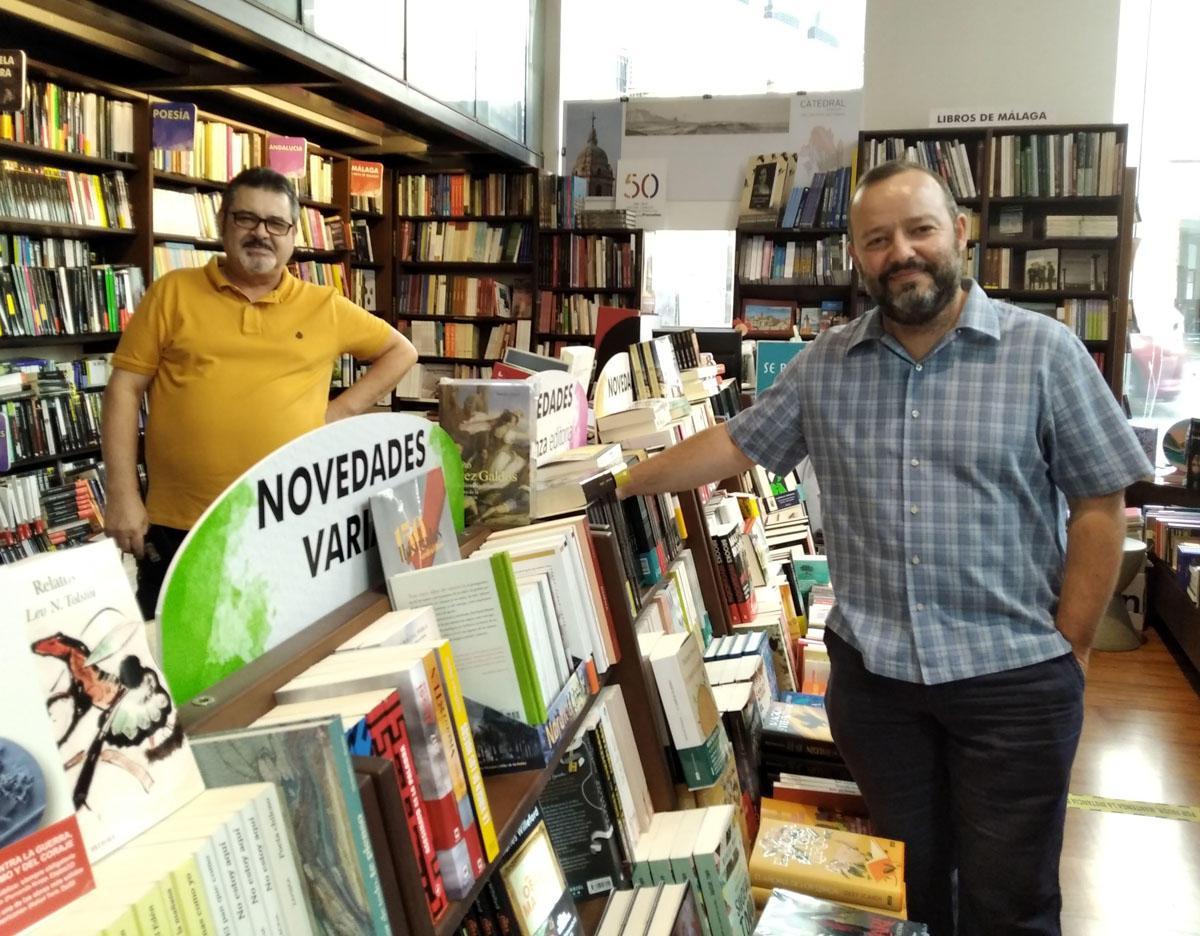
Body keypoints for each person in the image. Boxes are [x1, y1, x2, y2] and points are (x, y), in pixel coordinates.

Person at [618, 161, 1151, 935]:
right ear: (857, 257)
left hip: (1014, 685)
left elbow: (1101, 503)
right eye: (877, 239)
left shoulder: (1044, 353)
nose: (901, 251)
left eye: (920, 229)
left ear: (959, 235)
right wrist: (617, 482)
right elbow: (735, 445)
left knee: (1013, 899)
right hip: (879, 693)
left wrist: (1070, 645)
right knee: (908, 891)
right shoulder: (825, 366)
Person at [102, 166, 417, 619]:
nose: (260, 234)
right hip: (181, 523)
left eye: (276, 224)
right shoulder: (172, 293)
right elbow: (124, 389)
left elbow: (400, 351)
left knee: (281, 652)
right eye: (246, 219)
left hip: (289, 523)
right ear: (222, 223)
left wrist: (339, 412)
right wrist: (122, 494)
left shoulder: (324, 305)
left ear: (293, 234)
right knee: (174, 658)